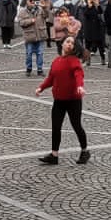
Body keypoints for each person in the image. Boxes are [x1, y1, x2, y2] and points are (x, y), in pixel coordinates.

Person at [36, 36, 90, 166]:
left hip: (73, 100)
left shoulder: (74, 61)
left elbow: (78, 74)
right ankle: (54, 155)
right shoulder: (56, 61)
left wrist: (80, 86)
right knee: (56, 127)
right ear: (62, 44)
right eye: (68, 42)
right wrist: (41, 88)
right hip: (59, 100)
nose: (70, 44)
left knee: (76, 125)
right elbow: (51, 78)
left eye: (72, 43)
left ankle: (84, 151)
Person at [20, 0, 47, 77]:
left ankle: (40, 69)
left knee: (40, 53)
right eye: (30, 1)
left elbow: (47, 16)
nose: (32, 2)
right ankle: (28, 69)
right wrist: (30, 21)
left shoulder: (39, 9)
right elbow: (21, 23)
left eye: (33, 0)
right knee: (29, 53)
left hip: (40, 34)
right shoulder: (23, 11)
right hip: (29, 36)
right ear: (27, 2)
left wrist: (45, 8)